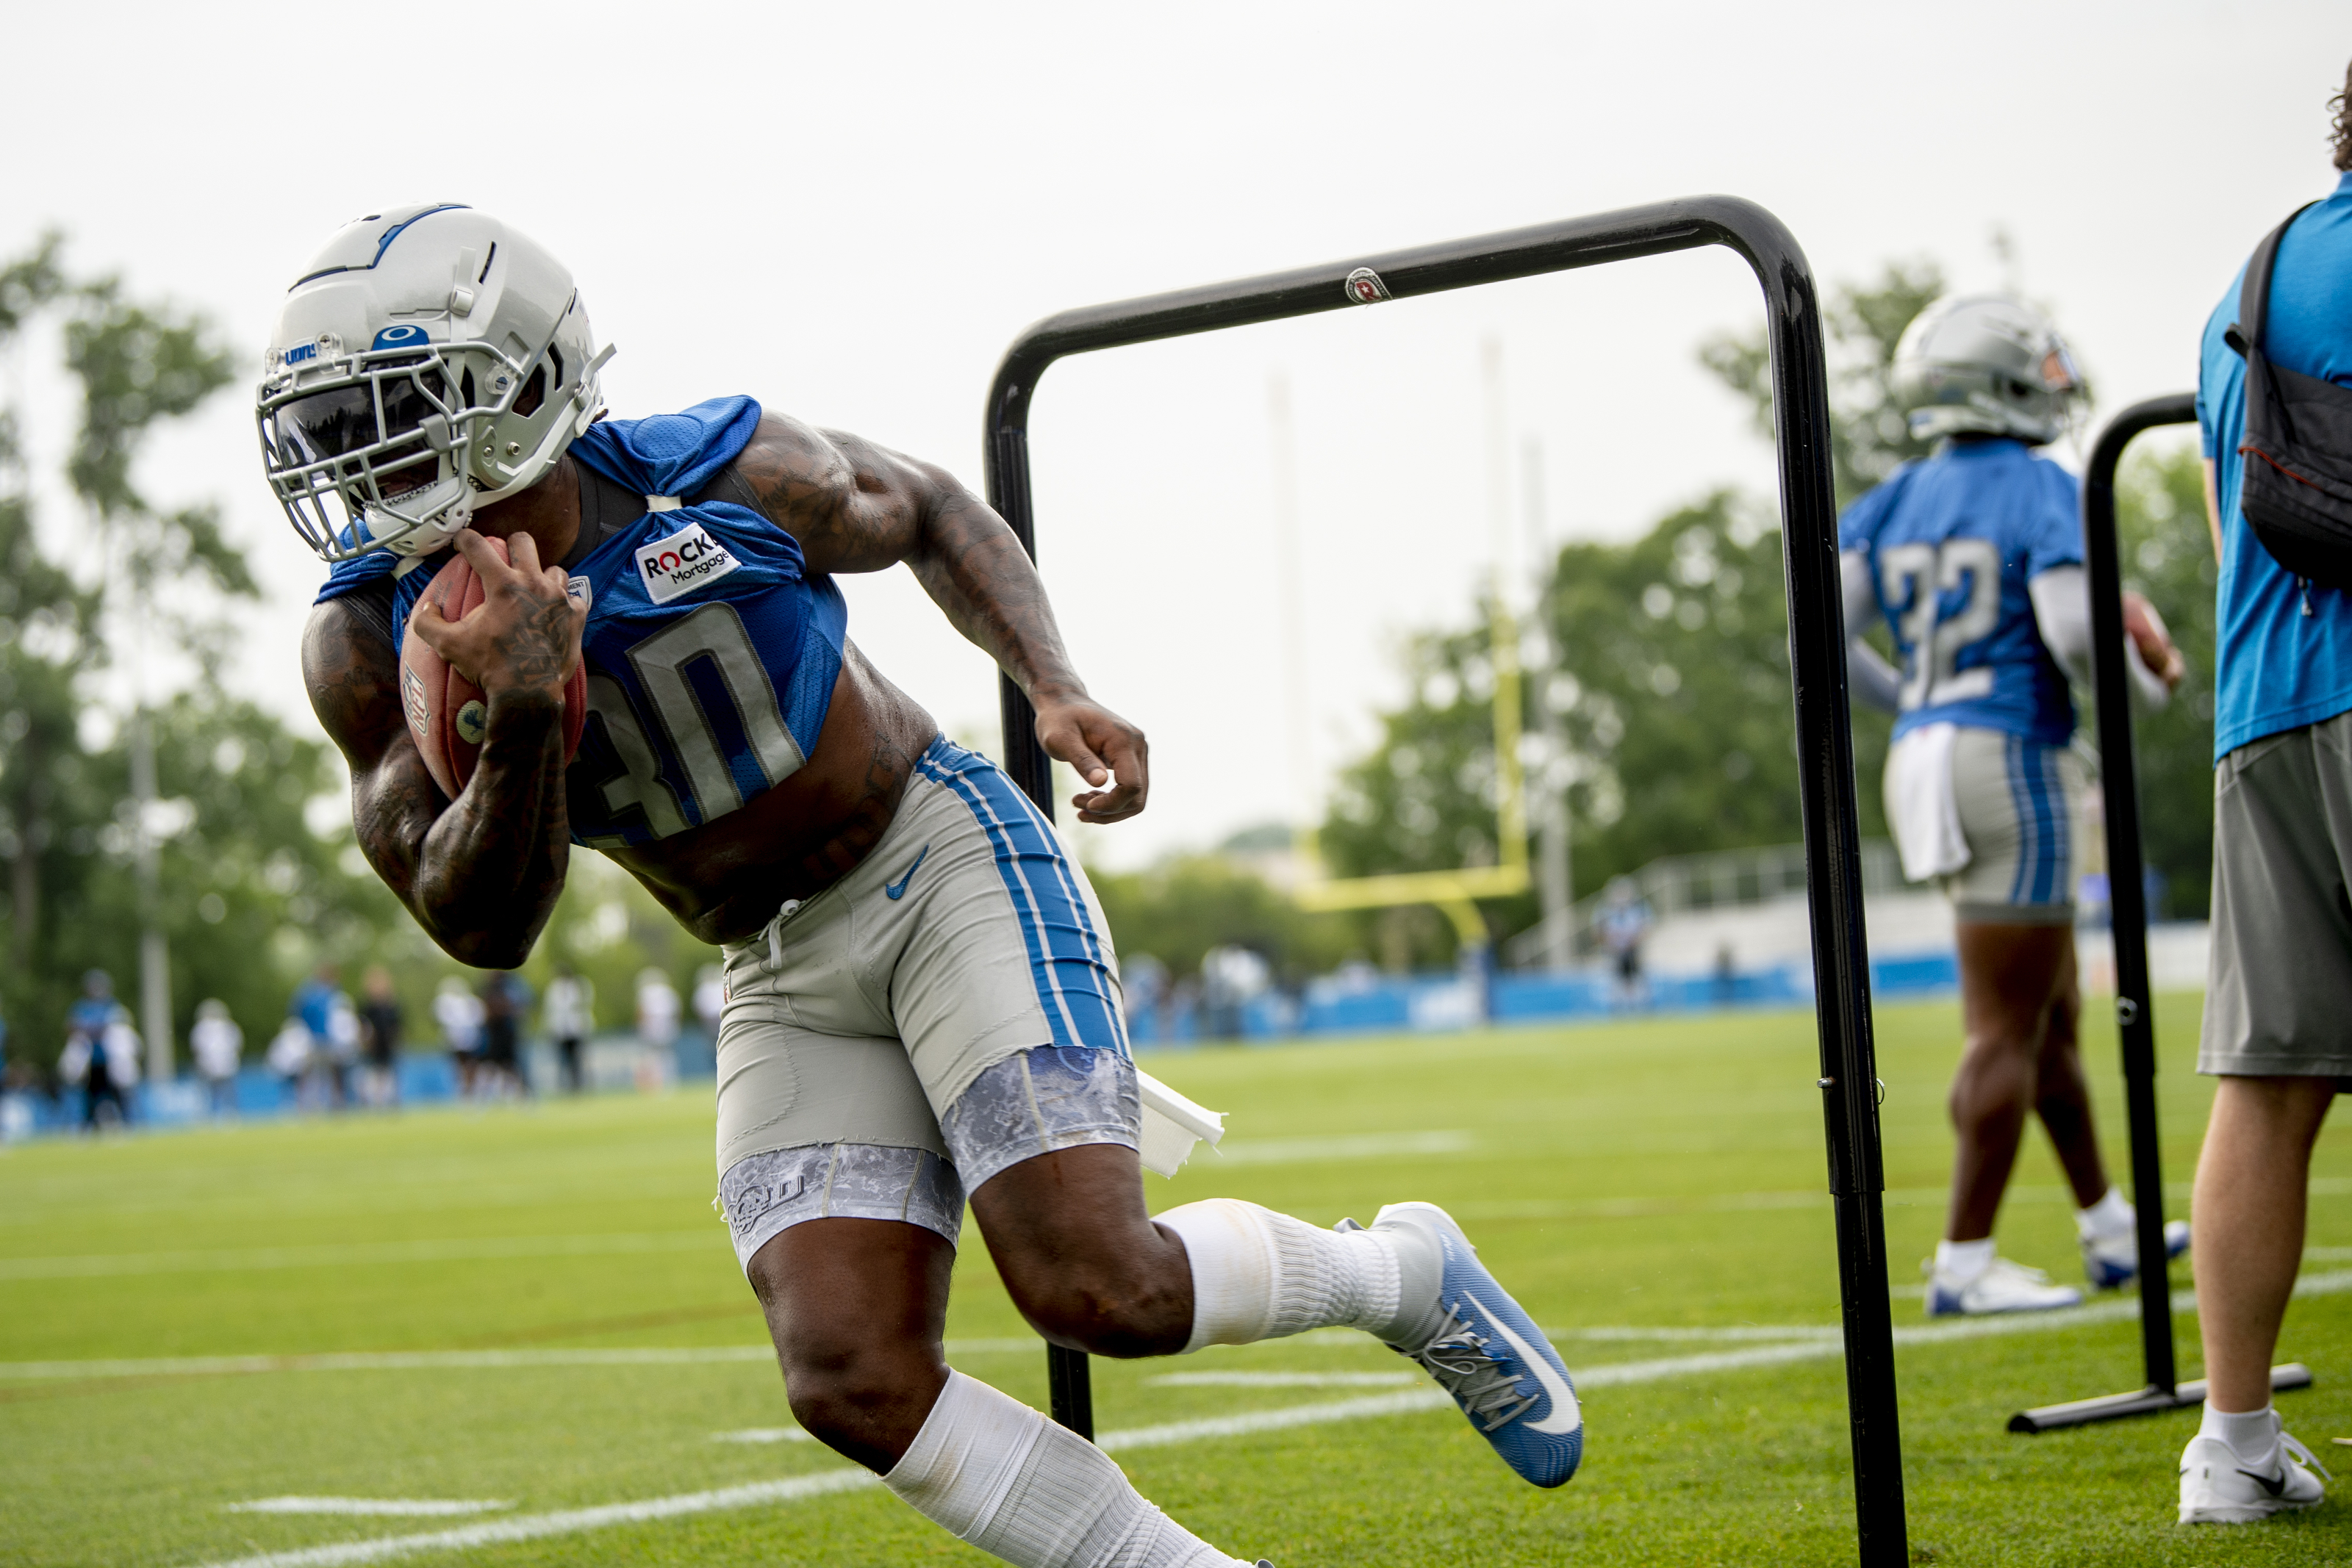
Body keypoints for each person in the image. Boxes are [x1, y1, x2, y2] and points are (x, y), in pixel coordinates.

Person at [270, 203, 1585, 1567]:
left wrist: (1055, 684)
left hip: (929, 853)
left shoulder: (713, 476)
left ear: (525, 381)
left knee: (1100, 1284)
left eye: (390, 405)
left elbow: (935, 511)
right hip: (771, 961)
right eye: (325, 426)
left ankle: (1407, 1272)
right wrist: (533, 712)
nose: (353, 457)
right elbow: (479, 922)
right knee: (849, 1371)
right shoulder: (364, 633)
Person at [1840, 293, 2190, 1317]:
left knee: (2050, 1010)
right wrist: (2152, 670)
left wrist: (1919, 702)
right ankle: (1964, 1259)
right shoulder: (2040, 486)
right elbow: (2075, 637)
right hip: (2012, 754)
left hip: (1927, 754)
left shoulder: (1894, 497)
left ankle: (2108, 1226)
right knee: (2004, 1025)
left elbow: (1815, 639)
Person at [2171, 71, 2352, 1527]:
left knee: (2265, 1083)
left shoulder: (2256, 272)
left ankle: (2230, 1444)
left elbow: (2235, 527)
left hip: (2258, 714)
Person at [62, 971, 135, 1129]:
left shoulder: (112, 1006)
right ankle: (89, 1125)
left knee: (117, 1092)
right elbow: (72, 1027)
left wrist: (90, 1030)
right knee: (89, 1094)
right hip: (89, 1059)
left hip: (110, 1059)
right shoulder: (82, 1007)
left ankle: (125, 1123)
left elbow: (116, 1028)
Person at [289, 963, 356, 1108]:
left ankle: (330, 1103)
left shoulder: (324, 993)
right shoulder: (314, 994)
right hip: (316, 1039)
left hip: (326, 1040)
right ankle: (310, 1104)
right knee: (316, 1073)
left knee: (328, 1072)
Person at [1596, 877, 1652, 1008]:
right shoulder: (1604, 910)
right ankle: (1619, 1007)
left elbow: (1647, 928)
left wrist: (1634, 942)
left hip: (1633, 949)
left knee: (1637, 978)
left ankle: (1640, 1006)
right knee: (1617, 980)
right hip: (1614, 951)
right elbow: (1598, 931)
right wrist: (1610, 944)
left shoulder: (1639, 908)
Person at [476, 969, 531, 1098]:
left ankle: (520, 1095)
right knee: (490, 1066)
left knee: (511, 1065)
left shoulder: (511, 987)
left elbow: (520, 1007)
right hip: (493, 1033)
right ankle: (481, 1097)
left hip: (507, 1032)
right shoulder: (488, 989)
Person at [543, 962, 594, 1093]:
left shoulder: (578, 987)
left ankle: (578, 1086)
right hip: (560, 1030)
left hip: (576, 1029)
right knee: (562, 1061)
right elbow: (551, 1010)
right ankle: (563, 1087)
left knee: (578, 1060)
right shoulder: (554, 989)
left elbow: (583, 1007)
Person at [357, 966, 404, 1107]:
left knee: (389, 1075)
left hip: (388, 1045)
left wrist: (397, 1041)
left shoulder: (392, 1006)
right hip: (372, 1046)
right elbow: (362, 1025)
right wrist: (365, 1041)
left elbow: (398, 1026)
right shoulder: (367, 1007)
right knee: (371, 1075)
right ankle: (373, 1103)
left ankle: (390, 1102)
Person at [190, 999, 244, 1118]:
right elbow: (237, 1045)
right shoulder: (229, 1026)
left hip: (209, 1066)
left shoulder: (202, 1028)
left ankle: (209, 1115)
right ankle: (230, 1114)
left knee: (210, 1093)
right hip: (226, 1064)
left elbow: (196, 1048)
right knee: (226, 1092)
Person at [433, 975, 484, 1096]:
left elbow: (478, 1019)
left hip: (469, 1041)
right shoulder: (445, 1002)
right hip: (455, 1042)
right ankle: (464, 1090)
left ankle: (471, 1090)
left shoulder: (471, 1002)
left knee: (470, 1066)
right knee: (458, 1068)